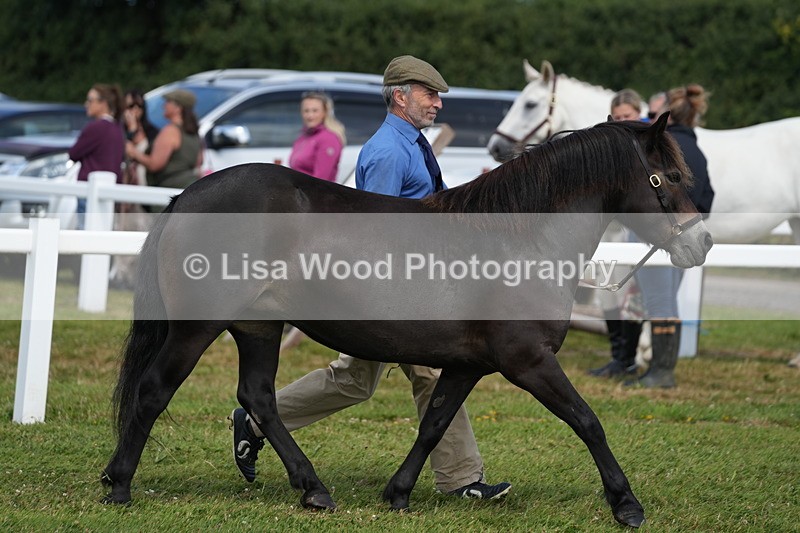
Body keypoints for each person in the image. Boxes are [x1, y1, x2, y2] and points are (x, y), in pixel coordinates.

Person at [230, 55, 512, 500]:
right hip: (395, 288)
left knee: (355, 381)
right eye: (430, 95)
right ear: (400, 97)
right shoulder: (387, 151)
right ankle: (461, 480)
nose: (438, 104)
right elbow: (377, 232)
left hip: (407, 282)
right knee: (433, 372)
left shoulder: (412, 143)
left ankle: (257, 417)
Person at [625, 84, 715, 388]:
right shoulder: (699, 151)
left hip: (663, 235)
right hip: (684, 235)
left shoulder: (666, 149)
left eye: (653, 115)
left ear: (667, 117)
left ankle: (662, 372)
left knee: (659, 302)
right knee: (668, 302)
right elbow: (708, 195)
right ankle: (661, 369)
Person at [588, 88, 646, 378]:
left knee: (632, 296)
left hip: (633, 231)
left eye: (629, 116)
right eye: (619, 117)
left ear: (639, 114)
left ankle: (629, 358)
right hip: (608, 232)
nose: (624, 121)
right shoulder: (609, 146)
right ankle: (617, 356)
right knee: (608, 293)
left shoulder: (648, 146)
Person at [68, 83, 126, 229]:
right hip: (109, 191)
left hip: (89, 189)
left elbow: (74, 153)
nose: (86, 104)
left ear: (103, 103)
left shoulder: (97, 127)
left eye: (90, 100)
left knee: (85, 234)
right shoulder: (117, 129)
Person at [126, 89, 202, 191]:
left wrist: (134, 152)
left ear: (178, 108)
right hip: (189, 187)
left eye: (168, 102)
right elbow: (198, 162)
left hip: (169, 190)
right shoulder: (193, 132)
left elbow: (154, 165)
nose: (163, 106)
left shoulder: (171, 131)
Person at [288, 91, 345, 181]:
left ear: (324, 112)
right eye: (306, 111)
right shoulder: (303, 137)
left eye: (315, 111)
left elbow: (321, 180)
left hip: (315, 193)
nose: (310, 116)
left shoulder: (328, 139)